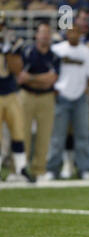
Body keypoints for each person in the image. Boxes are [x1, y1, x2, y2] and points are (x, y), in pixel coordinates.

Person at [44, 24, 89, 180]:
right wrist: (54, 89)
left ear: (81, 33)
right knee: (57, 136)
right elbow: (50, 72)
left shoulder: (87, 52)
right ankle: (52, 169)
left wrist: (86, 92)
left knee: (83, 135)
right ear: (66, 33)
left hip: (80, 98)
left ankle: (84, 169)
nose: (73, 34)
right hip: (61, 97)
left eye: (76, 31)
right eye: (70, 32)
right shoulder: (57, 50)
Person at [17, 21, 59, 181]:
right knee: (22, 133)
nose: (45, 36)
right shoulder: (27, 52)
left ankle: (39, 170)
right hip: (27, 96)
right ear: (36, 35)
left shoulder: (54, 56)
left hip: (47, 97)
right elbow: (21, 78)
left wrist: (32, 78)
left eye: (47, 33)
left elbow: (52, 80)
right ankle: (20, 170)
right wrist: (41, 79)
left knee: (45, 135)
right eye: (42, 32)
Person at [0, 12, 34, 182]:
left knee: (18, 132)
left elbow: (17, 70)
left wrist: (8, 50)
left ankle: (21, 169)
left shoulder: (12, 42)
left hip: (11, 92)